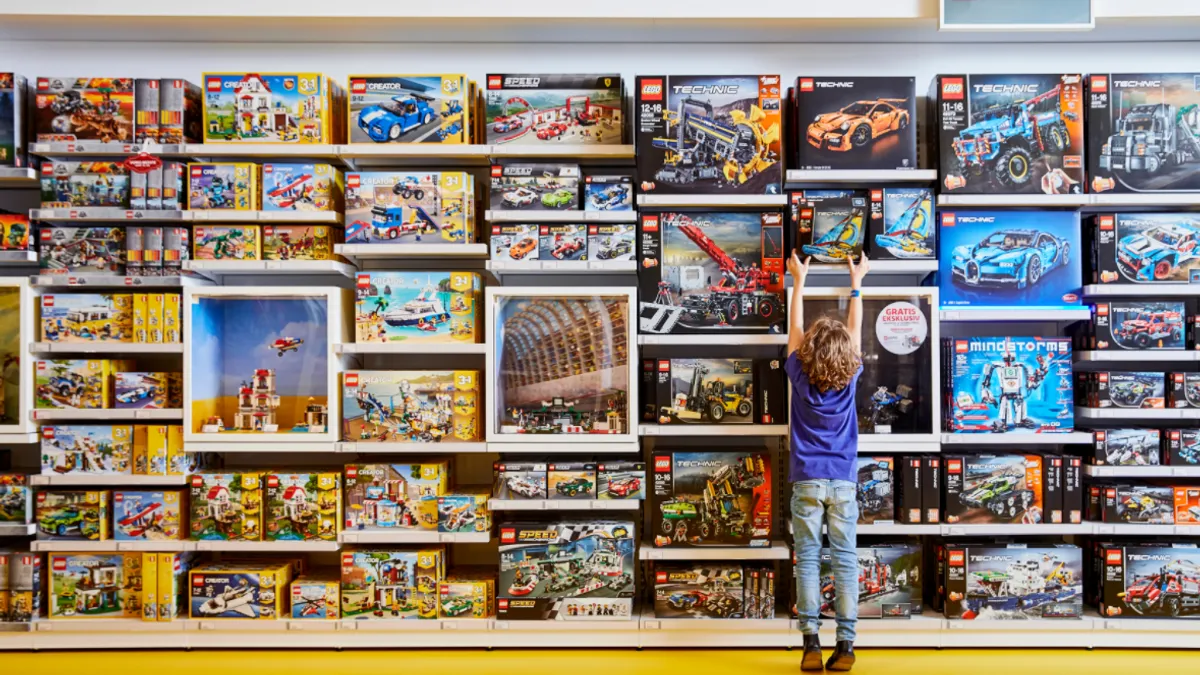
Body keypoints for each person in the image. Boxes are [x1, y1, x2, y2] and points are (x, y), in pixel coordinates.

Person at [786, 250, 870, 672]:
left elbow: (796, 329)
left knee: (808, 559)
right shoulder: (851, 373)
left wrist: (799, 280)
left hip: (806, 480)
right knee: (845, 560)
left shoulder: (799, 375)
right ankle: (848, 647)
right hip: (843, 482)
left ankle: (811, 645)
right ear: (847, 357)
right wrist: (857, 282)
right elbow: (853, 333)